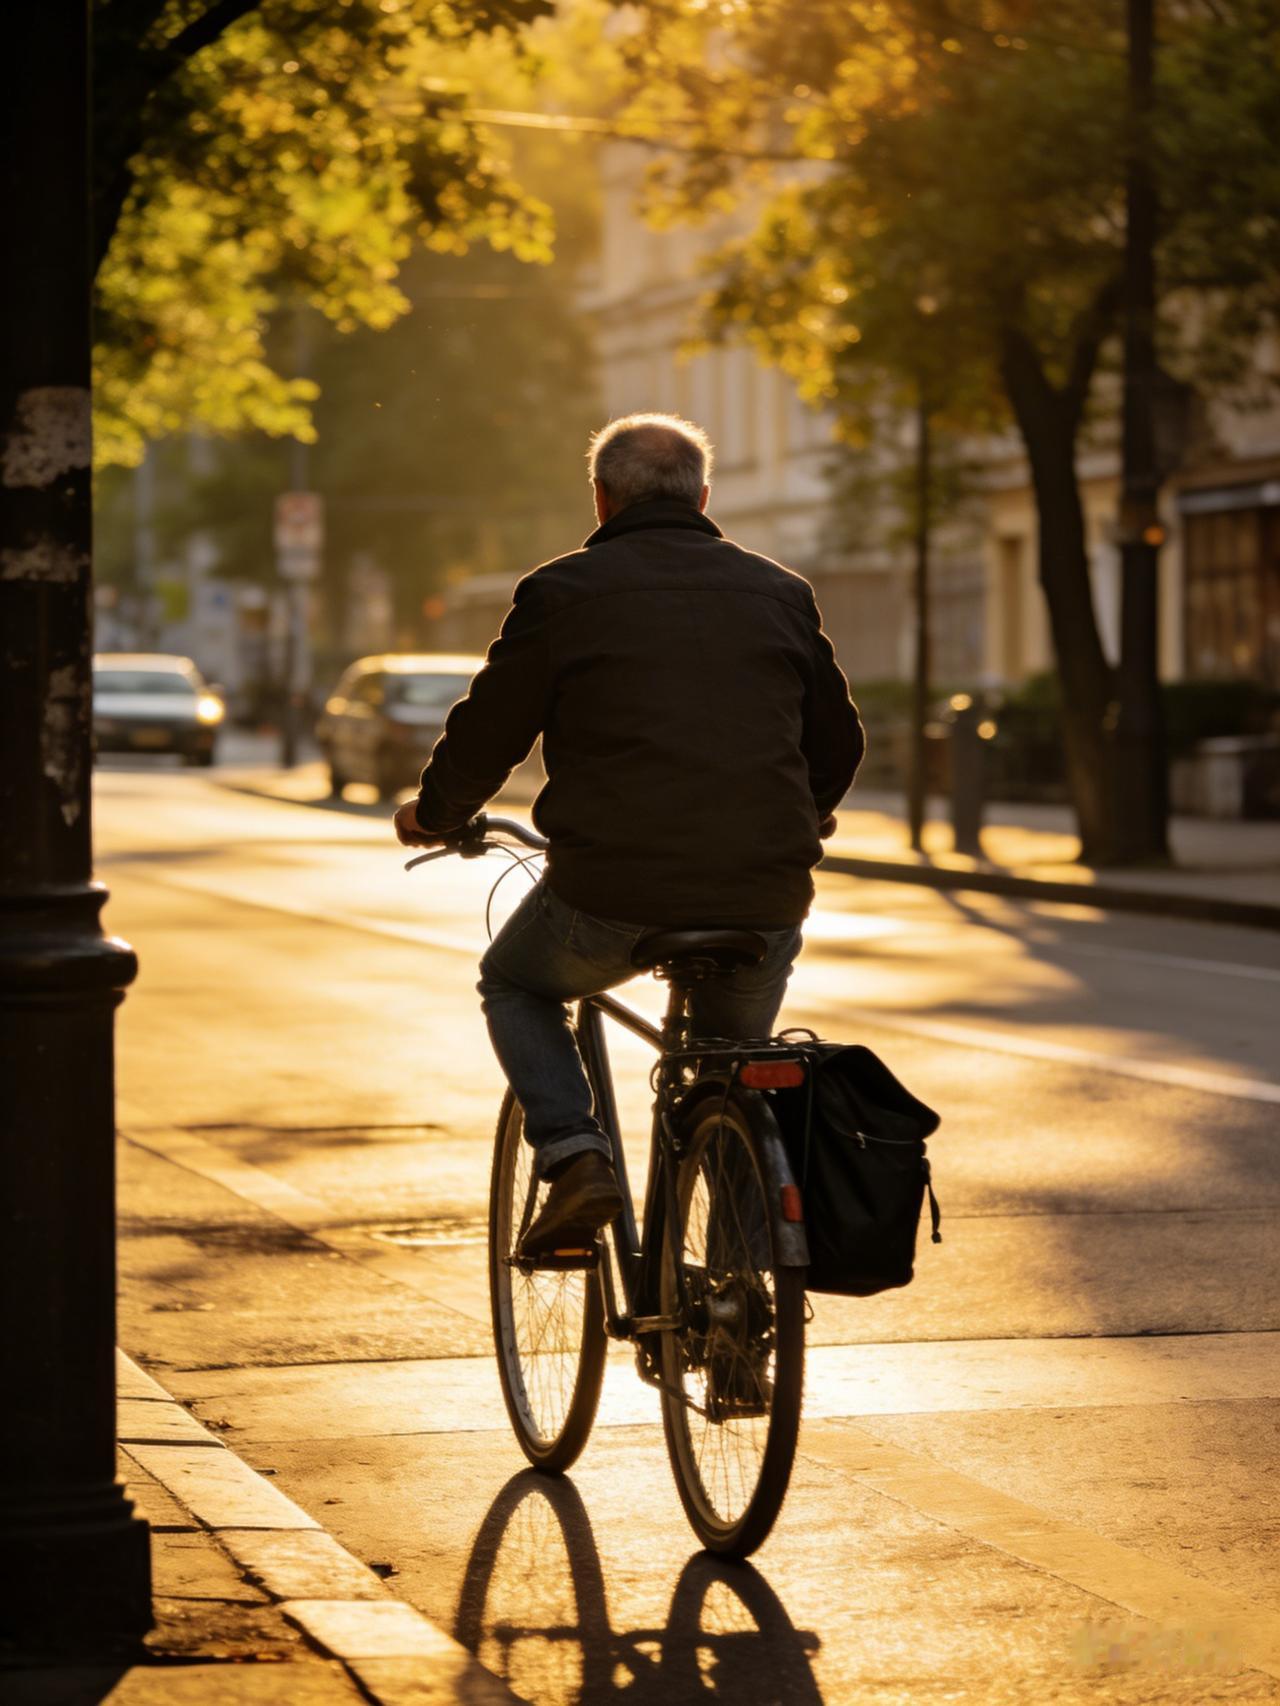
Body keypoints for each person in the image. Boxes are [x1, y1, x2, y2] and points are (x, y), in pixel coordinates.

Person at [395, 413, 864, 1255]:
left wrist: (434, 814)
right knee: (732, 1068)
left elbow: (489, 732)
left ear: (602, 501)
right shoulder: (781, 592)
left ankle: (575, 1153)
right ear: (704, 497)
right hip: (763, 893)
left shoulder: (563, 592)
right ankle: (744, 1314)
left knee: (516, 983)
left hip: (609, 893)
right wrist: (806, 815)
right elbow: (838, 741)